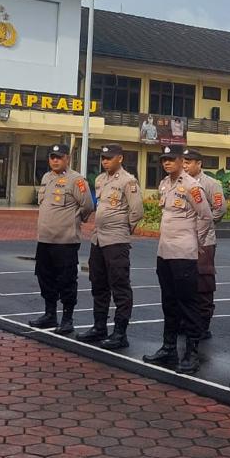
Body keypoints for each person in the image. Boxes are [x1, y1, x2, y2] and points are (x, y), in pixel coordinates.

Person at [143, 143, 212, 373]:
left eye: (171, 159)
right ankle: (169, 348)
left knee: (188, 304)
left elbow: (205, 216)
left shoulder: (192, 186)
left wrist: (198, 242)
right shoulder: (165, 184)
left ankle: (191, 353)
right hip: (165, 252)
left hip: (183, 254)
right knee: (169, 302)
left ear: (182, 161)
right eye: (164, 159)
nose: (167, 163)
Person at [77, 144, 144, 349]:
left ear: (120, 159)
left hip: (116, 241)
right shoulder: (100, 179)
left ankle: (120, 333)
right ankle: (99, 327)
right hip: (98, 239)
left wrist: (122, 228)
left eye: (109, 158)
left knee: (120, 285)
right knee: (98, 283)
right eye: (103, 158)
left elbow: (137, 211)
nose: (105, 161)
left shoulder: (128, 181)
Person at [30, 144, 94, 334]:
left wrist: (75, 219)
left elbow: (88, 205)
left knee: (66, 280)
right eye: (52, 157)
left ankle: (67, 319)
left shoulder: (76, 180)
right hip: (45, 239)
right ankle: (50, 314)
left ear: (67, 158)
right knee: (44, 277)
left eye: (59, 157)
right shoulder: (46, 177)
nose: (55, 160)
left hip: (65, 241)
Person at [182, 147, 226, 341]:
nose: (184, 166)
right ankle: (186, 322)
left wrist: (203, 226)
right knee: (184, 282)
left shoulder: (211, 184)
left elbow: (219, 209)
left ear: (199, 164)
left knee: (203, 284)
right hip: (182, 242)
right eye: (183, 162)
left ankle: (202, 325)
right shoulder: (178, 182)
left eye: (188, 162)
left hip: (203, 242)